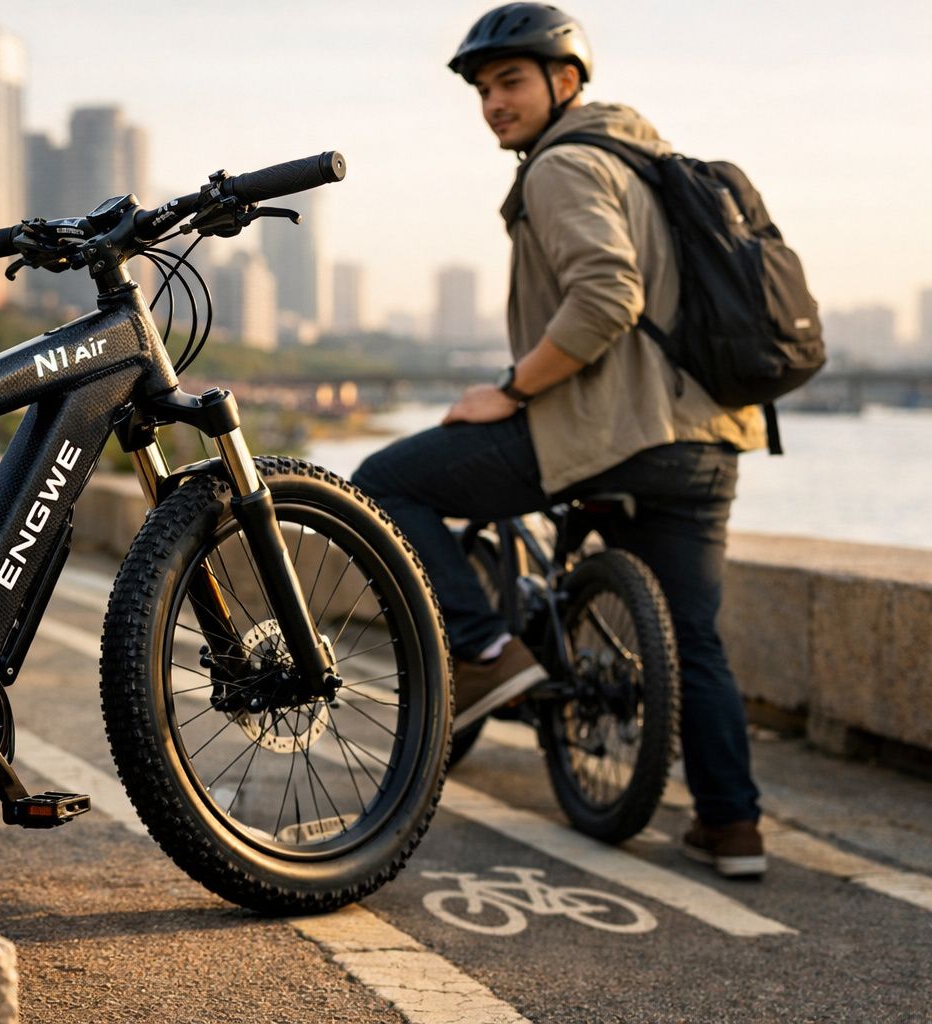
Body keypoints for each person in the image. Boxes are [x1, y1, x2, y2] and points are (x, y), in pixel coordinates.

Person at [352, 3, 769, 877]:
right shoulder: (647, 162)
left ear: (565, 81)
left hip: (607, 431)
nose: (494, 103)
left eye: (511, 82)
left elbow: (607, 295)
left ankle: (488, 653)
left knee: (387, 482)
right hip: (702, 440)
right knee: (694, 638)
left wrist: (510, 390)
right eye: (483, 89)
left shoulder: (564, 164)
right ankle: (733, 830)